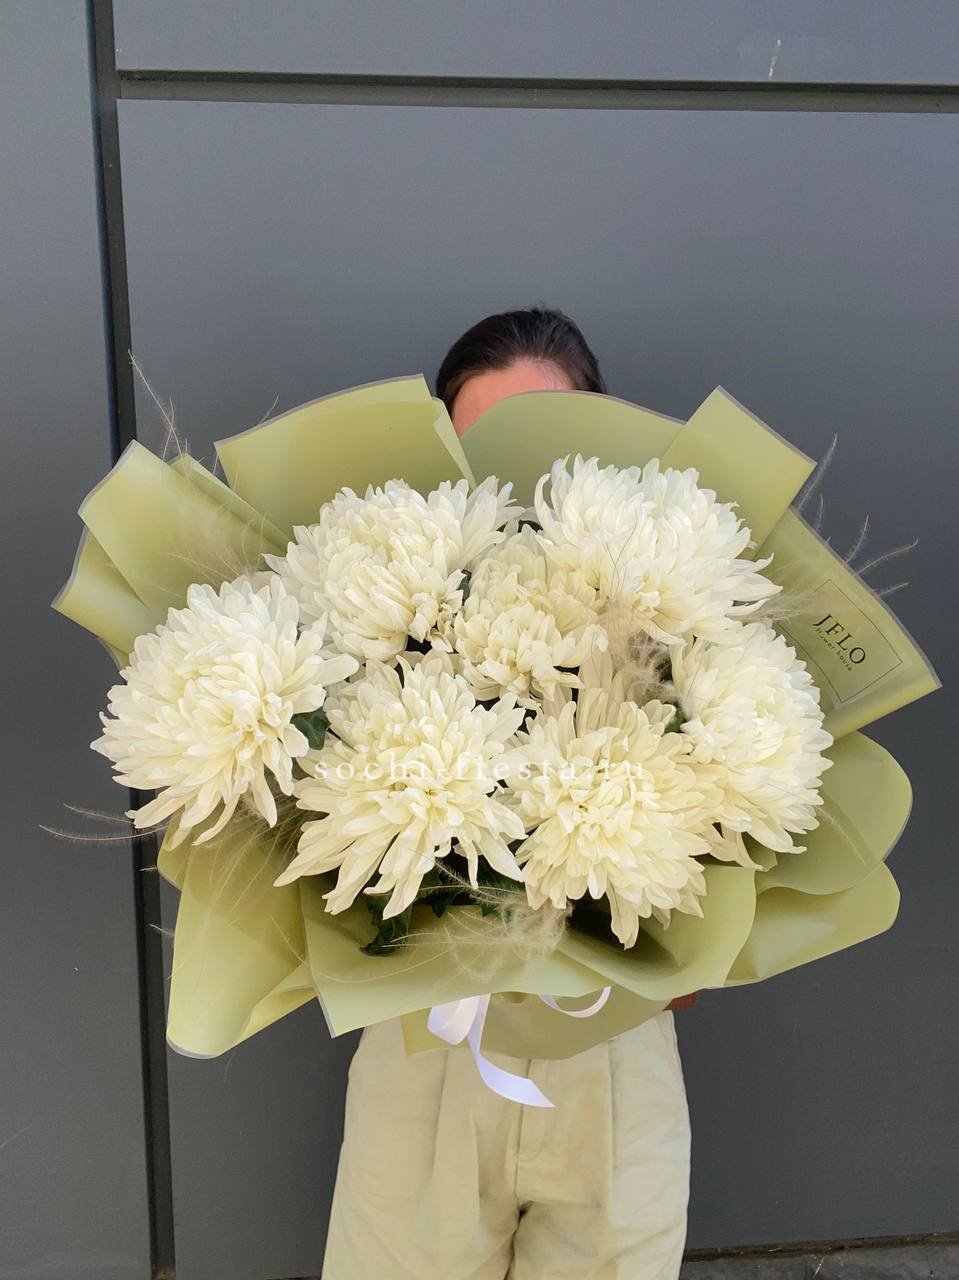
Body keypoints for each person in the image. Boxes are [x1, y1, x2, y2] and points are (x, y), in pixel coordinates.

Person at [322, 306, 699, 1280]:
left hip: (613, 1059)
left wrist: (693, 942)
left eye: (549, 437)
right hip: (427, 1050)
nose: (517, 474)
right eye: (484, 445)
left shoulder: (671, 604)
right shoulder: (373, 610)